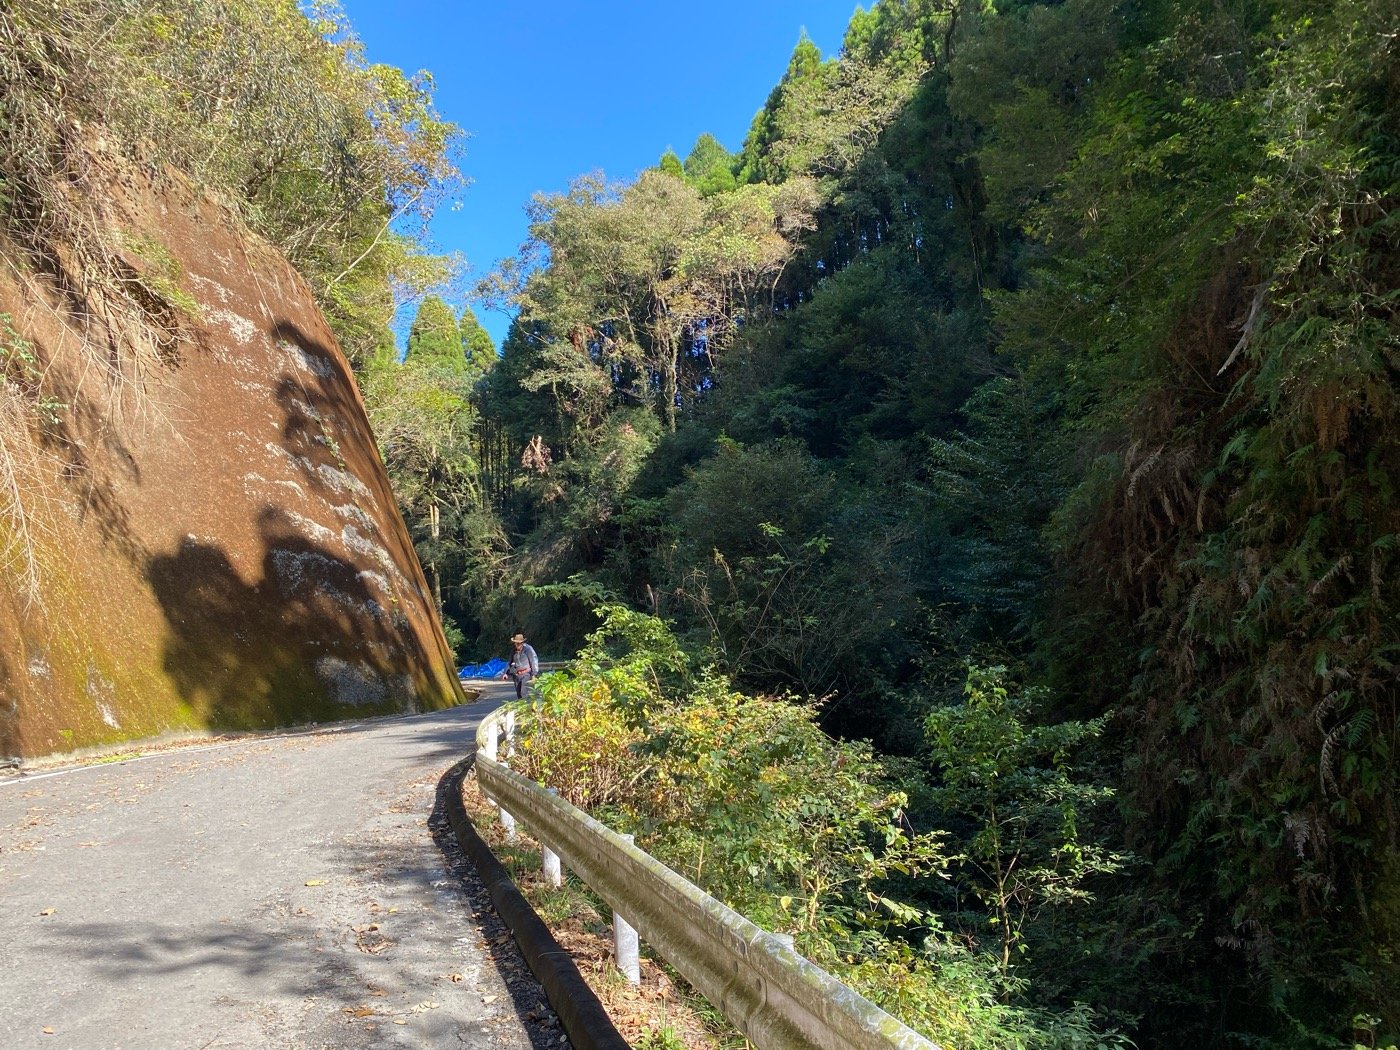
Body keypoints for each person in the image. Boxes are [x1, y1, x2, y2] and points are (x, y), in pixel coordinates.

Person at [502, 632, 539, 699]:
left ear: (522, 643)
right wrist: (505, 673)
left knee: (523, 692)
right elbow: (510, 662)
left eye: (520, 643)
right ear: (515, 643)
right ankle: (522, 706)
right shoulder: (513, 651)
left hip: (526, 674)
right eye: (517, 643)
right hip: (516, 675)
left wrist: (534, 674)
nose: (518, 644)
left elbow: (533, 661)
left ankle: (527, 706)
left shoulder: (528, 649)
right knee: (519, 694)